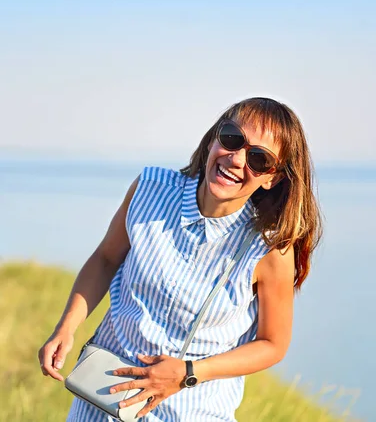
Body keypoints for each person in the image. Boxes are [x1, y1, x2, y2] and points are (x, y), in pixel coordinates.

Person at [38, 97, 323, 421]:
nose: (236, 159)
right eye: (232, 138)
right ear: (215, 136)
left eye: (259, 158)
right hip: (102, 401)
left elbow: (273, 344)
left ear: (272, 178)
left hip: (189, 413)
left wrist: (189, 372)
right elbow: (105, 259)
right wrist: (66, 327)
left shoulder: (269, 249)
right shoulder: (150, 188)